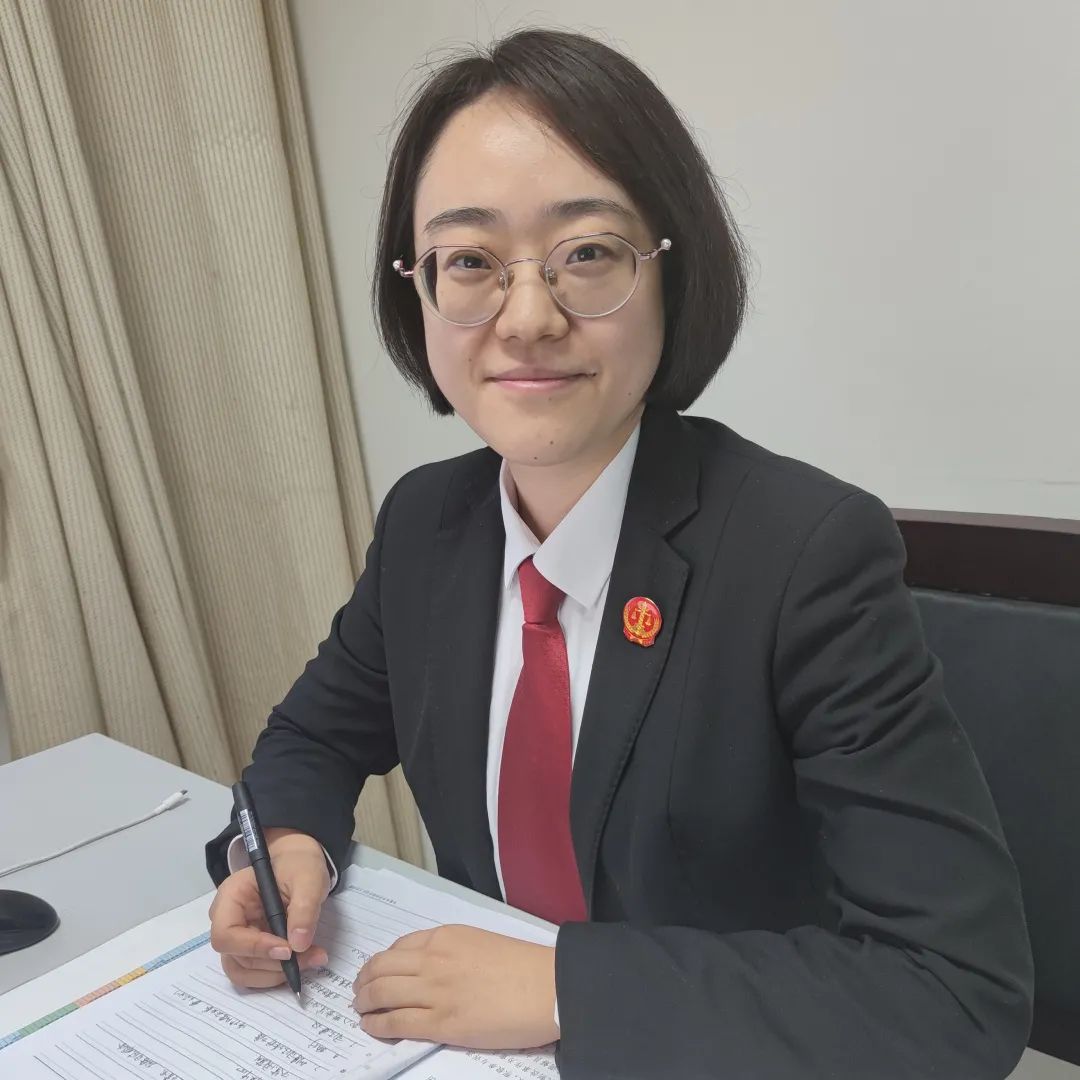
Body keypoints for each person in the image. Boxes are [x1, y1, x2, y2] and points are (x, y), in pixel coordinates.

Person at [205, 27, 1033, 1079]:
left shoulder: (804, 555)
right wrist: (287, 845)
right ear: (419, 293)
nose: (527, 318)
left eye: (587, 254)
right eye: (470, 262)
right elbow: (313, 738)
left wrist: (563, 988)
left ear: (672, 273)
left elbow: (955, 992)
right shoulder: (427, 523)